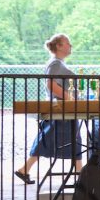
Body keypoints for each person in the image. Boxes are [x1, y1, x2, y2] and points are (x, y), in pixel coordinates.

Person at [15, 34, 82, 184]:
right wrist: (69, 98)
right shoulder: (56, 64)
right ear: (58, 46)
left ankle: (79, 172)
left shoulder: (57, 63)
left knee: (56, 138)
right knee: (60, 138)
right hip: (61, 108)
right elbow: (50, 84)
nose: (70, 46)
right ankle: (80, 173)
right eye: (67, 43)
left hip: (61, 108)